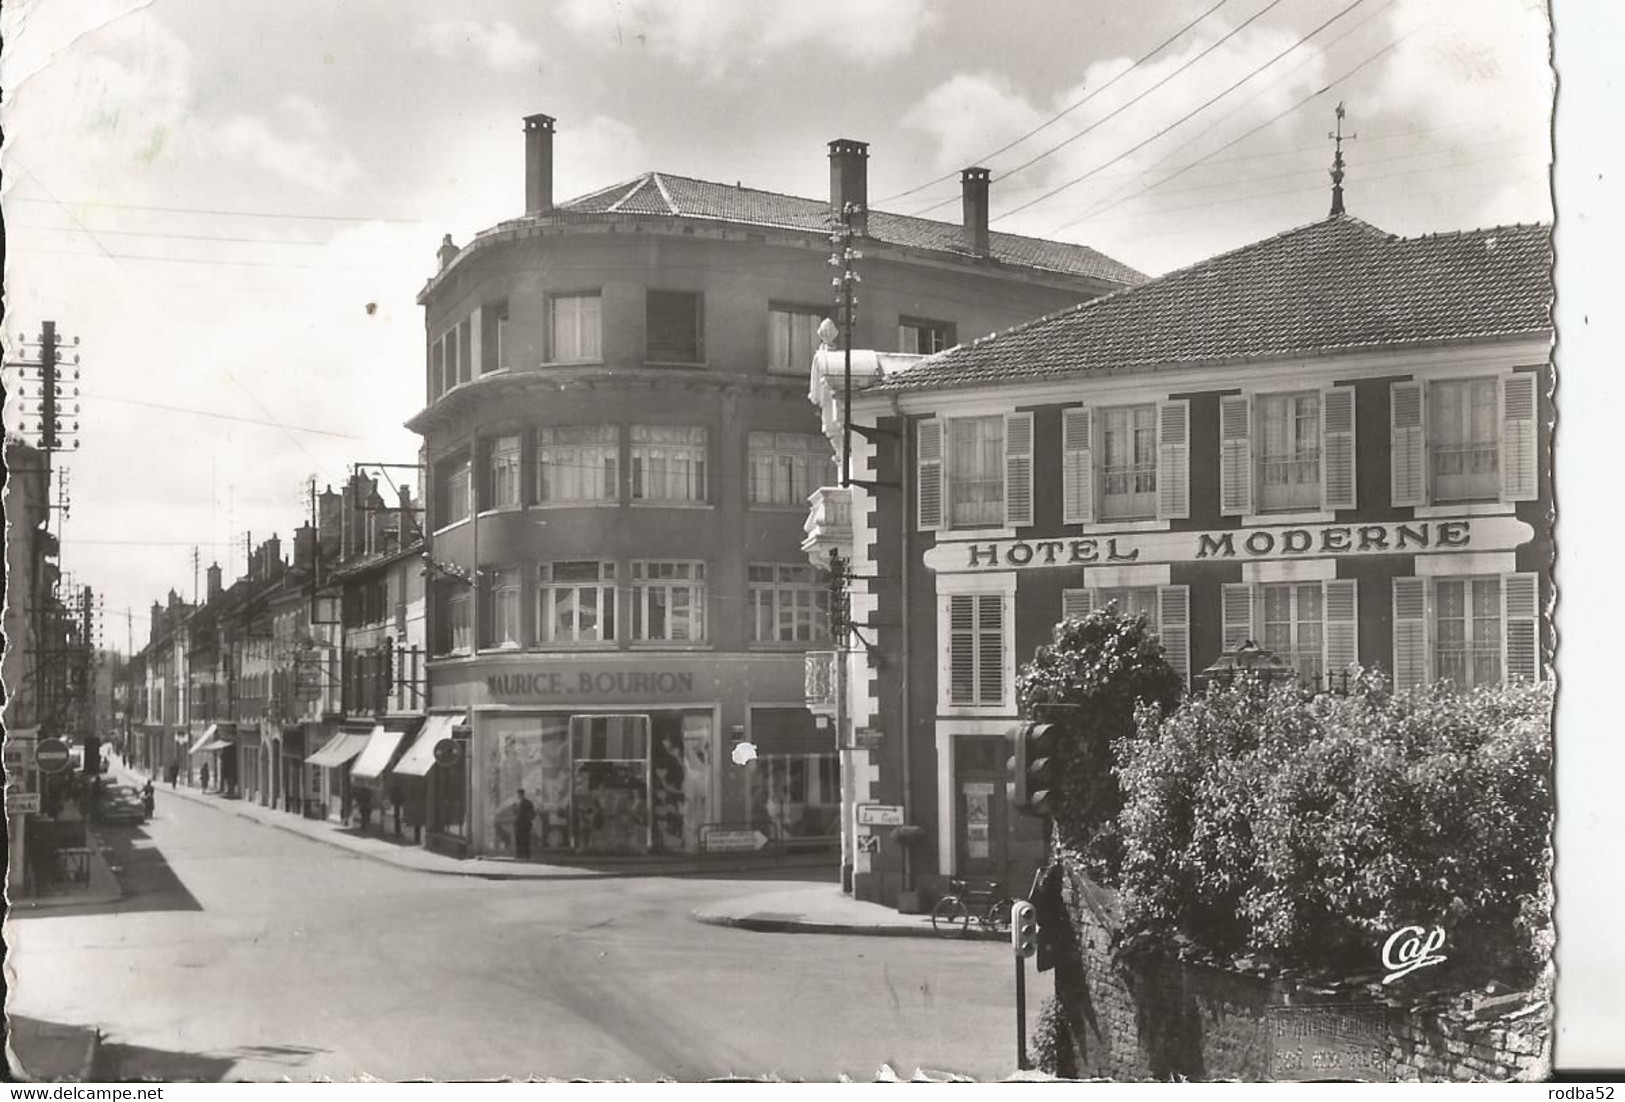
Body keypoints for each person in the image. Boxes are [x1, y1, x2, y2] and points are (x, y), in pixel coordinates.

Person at [514, 788, 536, 860]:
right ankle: (519, 854)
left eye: (520, 794)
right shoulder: (516, 803)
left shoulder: (527, 803)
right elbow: (514, 813)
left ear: (523, 794)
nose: (519, 795)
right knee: (518, 839)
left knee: (526, 839)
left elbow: (533, 813)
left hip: (525, 824)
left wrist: (529, 820)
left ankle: (527, 854)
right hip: (518, 824)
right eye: (518, 794)